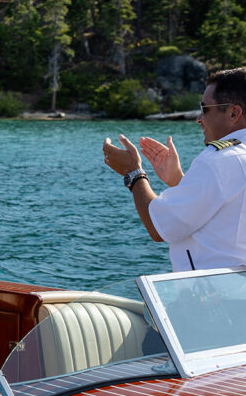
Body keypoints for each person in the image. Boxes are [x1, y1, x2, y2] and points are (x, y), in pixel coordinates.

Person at [102, 67, 246, 272]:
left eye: (205, 110)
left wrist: (133, 173)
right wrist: (178, 180)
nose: (199, 119)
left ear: (233, 113)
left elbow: (158, 227)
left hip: (214, 297)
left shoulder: (219, 160)